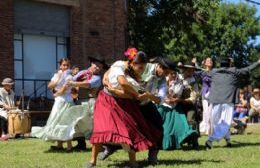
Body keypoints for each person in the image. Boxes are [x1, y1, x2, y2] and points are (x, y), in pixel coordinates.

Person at [87, 50, 160, 168]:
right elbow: (121, 81)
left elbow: (129, 94)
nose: (142, 69)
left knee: (129, 130)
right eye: (140, 67)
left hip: (124, 103)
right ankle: (92, 161)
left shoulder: (136, 78)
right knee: (100, 128)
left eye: (143, 67)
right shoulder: (119, 65)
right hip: (106, 100)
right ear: (132, 62)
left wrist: (116, 91)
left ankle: (133, 162)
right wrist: (105, 79)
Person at [205, 59, 260, 150]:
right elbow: (248, 69)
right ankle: (210, 140)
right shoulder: (234, 71)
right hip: (227, 101)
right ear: (229, 65)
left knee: (219, 123)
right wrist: (258, 62)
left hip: (215, 101)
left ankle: (228, 140)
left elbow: (202, 73)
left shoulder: (213, 72)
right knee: (226, 123)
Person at [31, 58, 74, 152]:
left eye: (67, 65)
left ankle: (69, 146)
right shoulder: (56, 75)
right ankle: (59, 145)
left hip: (66, 101)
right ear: (60, 65)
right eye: (64, 65)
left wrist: (56, 93)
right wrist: (58, 78)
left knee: (66, 122)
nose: (65, 67)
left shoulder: (69, 76)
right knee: (57, 121)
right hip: (59, 101)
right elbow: (49, 86)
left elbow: (64, 89)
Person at [66, 56, 107, 151]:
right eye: (96, 65)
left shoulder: (97, 78)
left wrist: (74, 84)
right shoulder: (82, 72)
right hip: (78, 100)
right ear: (91, 63)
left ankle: (100, 145)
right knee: (77, 122)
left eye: (100, 67)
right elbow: (72, 79)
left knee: (91, 124)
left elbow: (87, 84)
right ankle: (81, 144)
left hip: (90, 102)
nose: (98, 68)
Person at [156, 69, 198, 150]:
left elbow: (190, 97)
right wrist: (166, 99)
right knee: (160, 124)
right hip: (163, 106)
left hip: (179, 106)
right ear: (168, 74)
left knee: (184, 124)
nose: (174, 75)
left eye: (175, 74)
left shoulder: (182, 83)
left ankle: (193, 142)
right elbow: (158, 94)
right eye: (172, 74)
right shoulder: (162, 81)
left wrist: (175, 100)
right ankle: (157, 143)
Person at [197, 57, 214, 135]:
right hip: (204, 93)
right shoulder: (202, 72)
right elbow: (193, 72)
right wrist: (194, 64)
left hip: (213, 93)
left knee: (211, 112)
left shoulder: (214, 72)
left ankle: (210, 129)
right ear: (205, 63)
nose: (210, 61)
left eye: (211, 61)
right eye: (208, 61)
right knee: (206, 111)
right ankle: (206, 129)